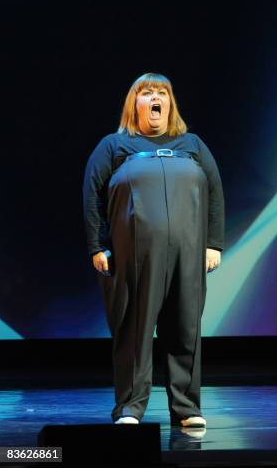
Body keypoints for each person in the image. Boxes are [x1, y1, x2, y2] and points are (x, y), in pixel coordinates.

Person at [83, 73, 224, 426]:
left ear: (170, 103)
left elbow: (215, 195)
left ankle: (187, 409)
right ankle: (130, 407)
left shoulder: (192, 144)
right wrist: (97, 245)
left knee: (185, 326)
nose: (155, 97)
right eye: (147, 93)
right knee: (134, 329)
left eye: (162, 92)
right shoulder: (114, 147)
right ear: (135, 103)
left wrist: (213, 243)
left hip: (187, 254)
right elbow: (92, 197)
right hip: (134, 257)